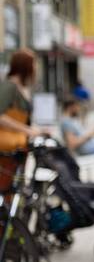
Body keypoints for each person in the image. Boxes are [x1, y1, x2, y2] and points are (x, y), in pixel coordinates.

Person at [0, 49, 48, 191]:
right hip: (8, 145)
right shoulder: (9, 86)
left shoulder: (21, 87)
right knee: (6, 184)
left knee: (15, 184)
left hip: (19, 144)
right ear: (25, 66)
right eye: (34, 65)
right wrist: (29, 130)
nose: (36, 69)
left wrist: (37, 130)